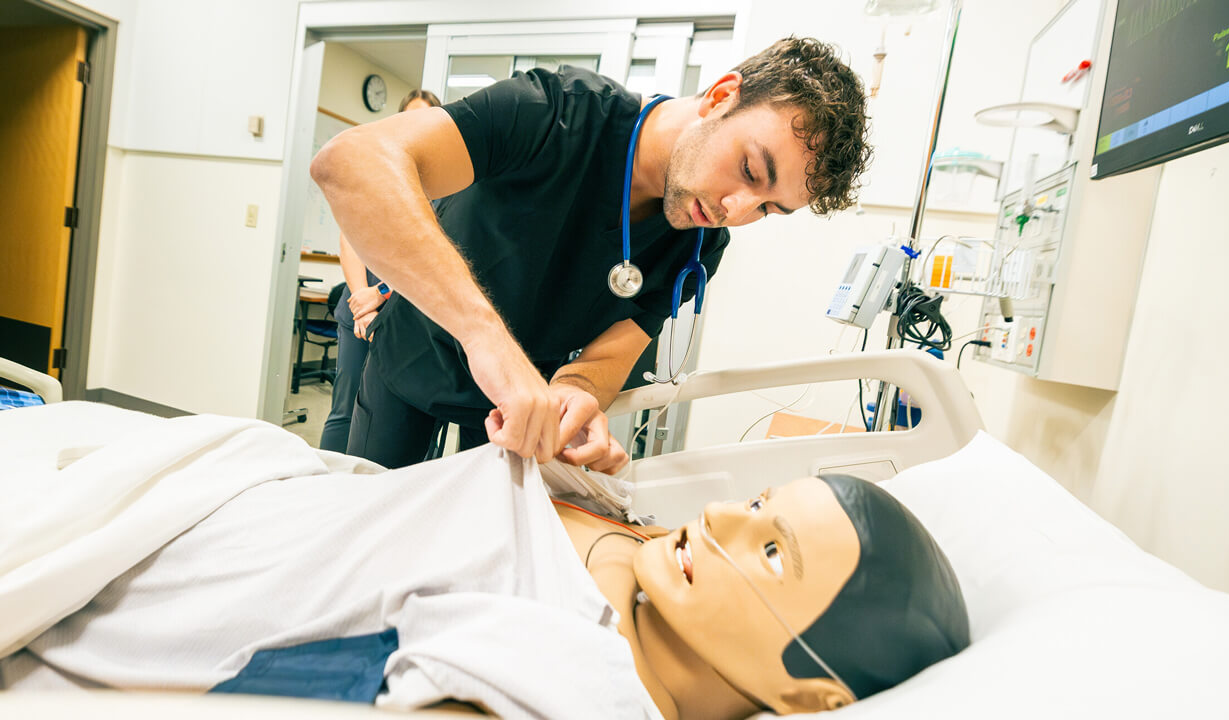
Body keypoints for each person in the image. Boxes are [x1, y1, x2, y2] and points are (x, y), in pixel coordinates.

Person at [0, 441, 969, 718]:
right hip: (224, 475)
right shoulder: (639, 532)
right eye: (755, 503)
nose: (719, 518)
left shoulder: (573, 676)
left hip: (159, 550)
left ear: (807, 692)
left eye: (768, 552)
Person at [310, 37, 872, 473]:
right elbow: (350, 163)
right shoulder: (554, 113)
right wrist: (486, 337)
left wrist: (576, 398)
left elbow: (613, 353)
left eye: (770, 209)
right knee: (372, 525)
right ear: (721, 96)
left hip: (518, 404)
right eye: (751, 170)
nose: (736, 209)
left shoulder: (699, 241)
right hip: (414, 355)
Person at [320, 89, 444, 453]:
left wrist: (383, 294)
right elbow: (350, 237)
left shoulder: (444, 183)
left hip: (406, 316)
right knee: (343, 409)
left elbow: (433, 256)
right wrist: (362, 299)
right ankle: (326, 493)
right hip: (359, 310)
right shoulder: (376, 170)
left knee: (406, 417)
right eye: (408, 117)